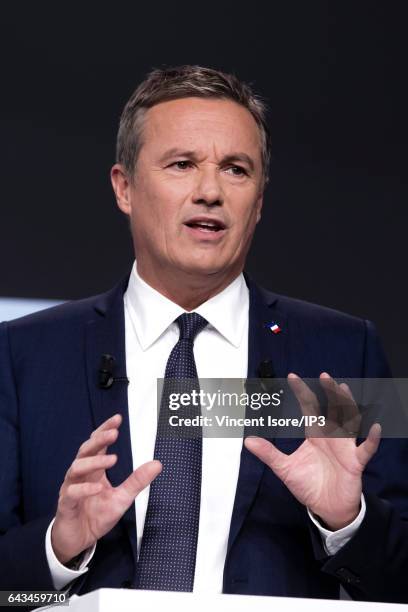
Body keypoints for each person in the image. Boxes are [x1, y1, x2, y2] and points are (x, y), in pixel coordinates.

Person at [0, 65, 407, 605]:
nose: (210, 191)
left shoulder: (339, 352)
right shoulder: (22, 355)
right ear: (125, 187)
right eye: (182, 164)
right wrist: (58, 548)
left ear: (258, 202)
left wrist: (347, 522)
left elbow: (399, 573)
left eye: (237, 170)